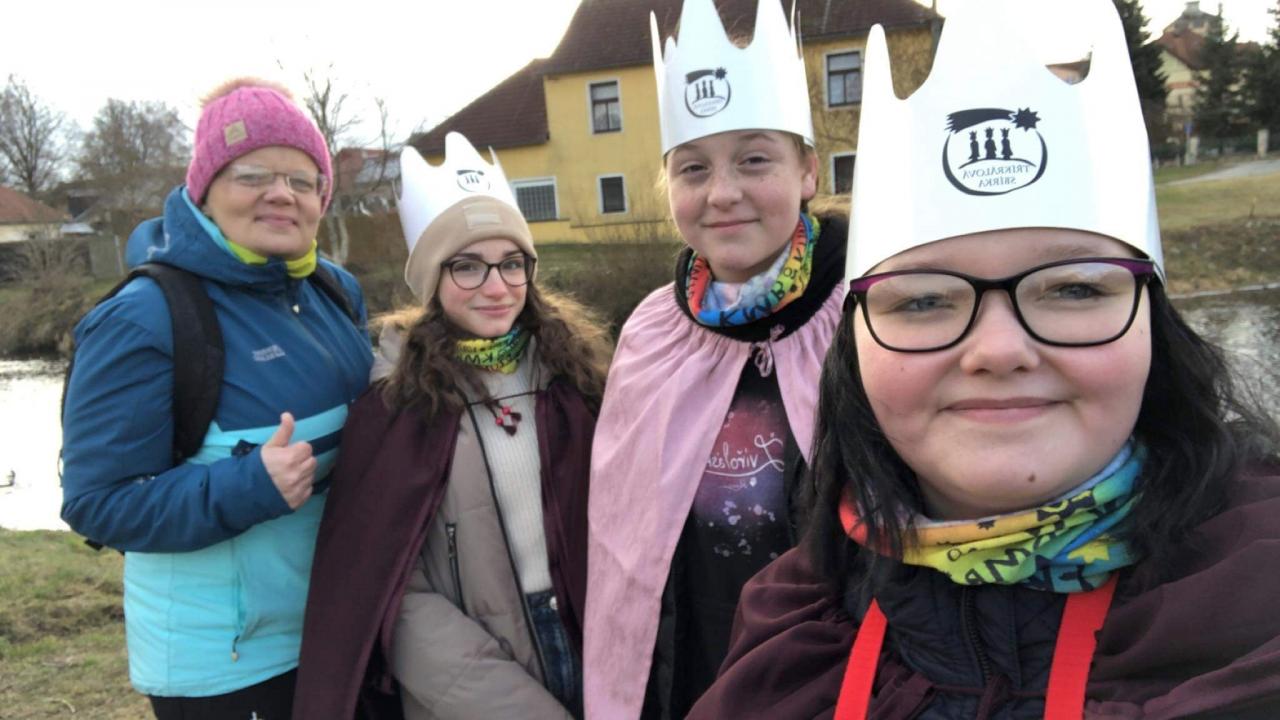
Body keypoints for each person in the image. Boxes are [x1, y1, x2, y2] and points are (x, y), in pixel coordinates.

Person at [689, 2, 1280, 718]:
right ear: (854, 350)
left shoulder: (1255, 626)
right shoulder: (790, 627)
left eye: (1074, 288)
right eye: (922, 300)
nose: (998, 350)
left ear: (1155, 325)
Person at [60, 78, 373, 718]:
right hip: (226, 666)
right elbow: (97, 502)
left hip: (340, 631)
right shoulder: (143, 317)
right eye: (251, 175)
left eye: (303, 179)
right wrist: (248, 485)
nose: (281, 194)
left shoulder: (335, 292)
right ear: (204, 191)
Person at [582, 0, 849, 716]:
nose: (722, 194)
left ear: (808, 171)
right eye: (693, 168)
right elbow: (622, 538)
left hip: (830, 678)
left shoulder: (870, 316)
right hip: (690, 669)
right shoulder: (651, 332)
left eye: (754, 159)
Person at [292, 133, 611, 720]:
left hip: (599, 652)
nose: (496, 287)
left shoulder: (577, 381)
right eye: (466, 266)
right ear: (432, 281)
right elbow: (393, 595)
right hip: (473, 684)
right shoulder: (395, 407)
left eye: (511, 263)